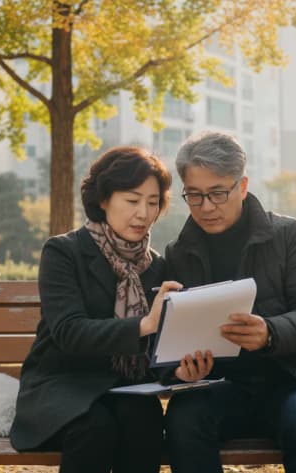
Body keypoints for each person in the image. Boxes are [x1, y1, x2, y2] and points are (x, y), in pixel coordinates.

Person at [162, 131, 296, 473]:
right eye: (194, 195)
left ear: (242, 186)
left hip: (294, 381)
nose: (206, 207)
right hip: (220, 388)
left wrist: (271, 332)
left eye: (217, 193)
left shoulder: (288, 236)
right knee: (183, 417)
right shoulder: (178, 253)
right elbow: (167, 338)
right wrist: (181, 370)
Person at [10, 146, 181, 473]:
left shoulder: (157, 266)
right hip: (62, 385)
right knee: (95, 427)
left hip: (125, 388)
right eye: (132, 201)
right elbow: (69, 332)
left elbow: (159, 354)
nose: (143, 214)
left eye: (153, 202)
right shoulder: (63, 252)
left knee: (143, 419)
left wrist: (179, 371)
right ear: (103, 199)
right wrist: (143, 325)